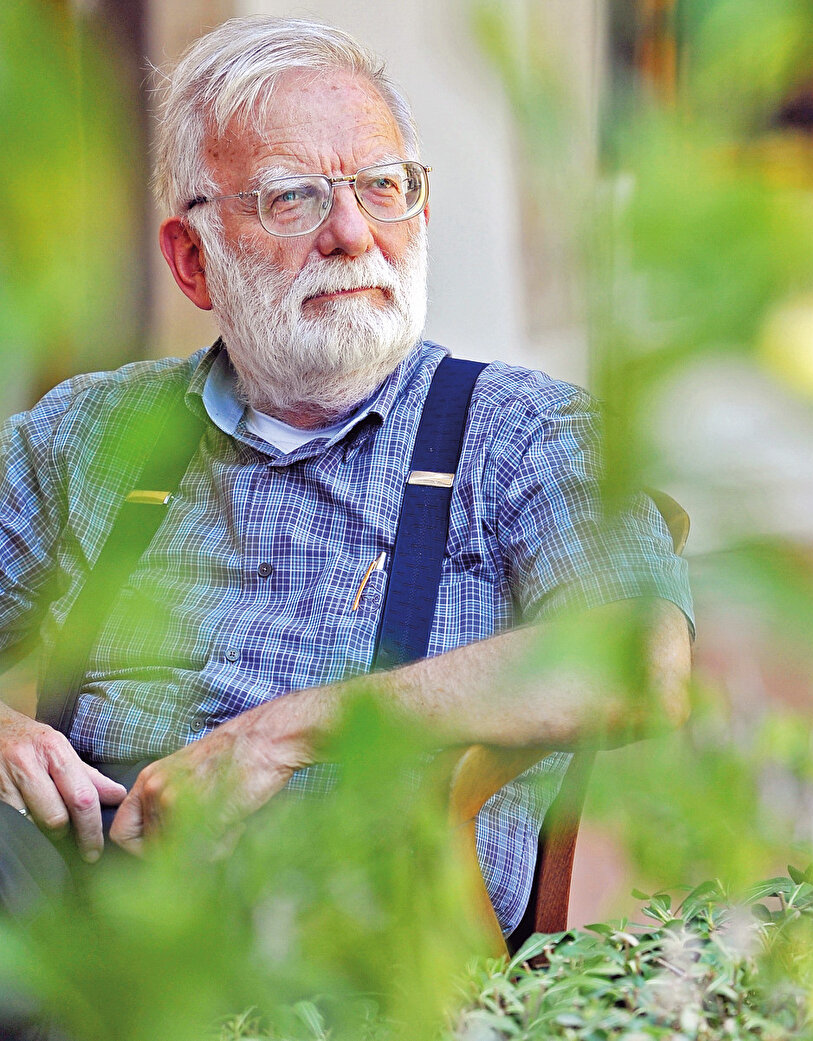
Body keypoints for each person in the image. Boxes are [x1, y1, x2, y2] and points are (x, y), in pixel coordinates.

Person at [0, 16, 693, 941]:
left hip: (354, 930)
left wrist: (282, 733)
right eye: (292, 197)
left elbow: (641, 663)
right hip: (80, 908)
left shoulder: (526, 434)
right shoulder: (91, 430)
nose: (353, 233)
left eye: (384, 187)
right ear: (193, 260)